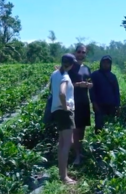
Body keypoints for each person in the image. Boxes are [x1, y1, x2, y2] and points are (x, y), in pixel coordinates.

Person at [50, 53, 77, 184]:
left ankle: (62, 172)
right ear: (71, 65)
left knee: (62, 142)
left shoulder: (55, 74)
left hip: (56, 110)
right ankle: (64, 176)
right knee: (67, 142)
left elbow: (53, 90)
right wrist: (66, 106)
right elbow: (62, 92)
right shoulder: (65, 76)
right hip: (64, 111)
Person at [68, 45, 92, 165]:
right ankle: (76, 155)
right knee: (76, 130)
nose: (81, 54)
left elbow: (90, 81)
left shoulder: (87, 68)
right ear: (75, 53)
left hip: (84, 101)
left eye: (83, 52)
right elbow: (66, 84)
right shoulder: (71, 68)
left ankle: (79, 150)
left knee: (82, 129)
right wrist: (78, 85)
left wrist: (89, 85)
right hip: (74, 102)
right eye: (79, 52)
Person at [89, 55, 120, 134]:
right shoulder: (95, 75)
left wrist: (118, 105)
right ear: (101, 63)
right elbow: (91, 90)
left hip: (111, 105)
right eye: (104, 62)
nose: (105, 64)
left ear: (110, 64)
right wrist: (94, 103)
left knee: (110, 126)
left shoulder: (113, 76)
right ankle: (98, 145)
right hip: (99, 105)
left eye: (108, 63)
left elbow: (116, 91)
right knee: (99, 126)